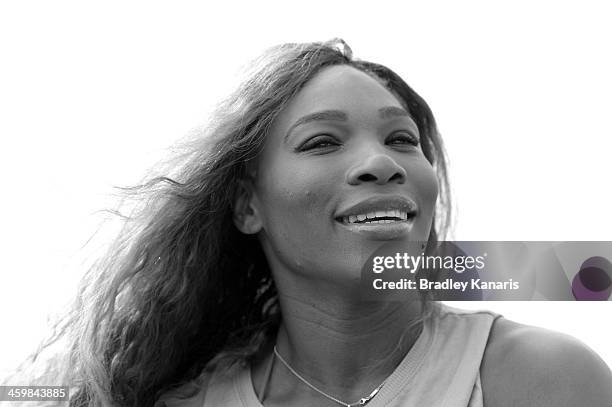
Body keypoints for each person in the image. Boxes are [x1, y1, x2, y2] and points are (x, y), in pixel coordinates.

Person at [11, 39, 611, 407]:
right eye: (322, 142)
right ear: (248, 206)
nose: (381, 163)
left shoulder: (544, 378)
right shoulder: (184, 400)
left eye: (402, 140)